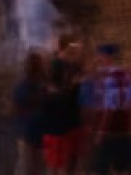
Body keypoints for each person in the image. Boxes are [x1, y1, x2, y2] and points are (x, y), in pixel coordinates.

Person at [82, 43, 131, 174]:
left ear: (105, 56)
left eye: (100, 56)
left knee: (101, 168)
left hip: (108, 129)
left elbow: (109, 109)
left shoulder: (110, 78)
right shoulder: (128, 75)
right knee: (121, 166)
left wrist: (100, 132)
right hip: (124, 127)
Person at [39, 43, 86, 175]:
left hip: (57, 130)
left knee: (56, 165)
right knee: (62, 165)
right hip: (63, 130)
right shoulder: (64, 91)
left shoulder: (47, 90)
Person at [12, 51, 48, 175]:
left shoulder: (39, 86)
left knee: (32, 168)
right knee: (27, 168)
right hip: (29, 132)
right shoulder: (28, 87)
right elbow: (21, 107)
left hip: (34, 133)